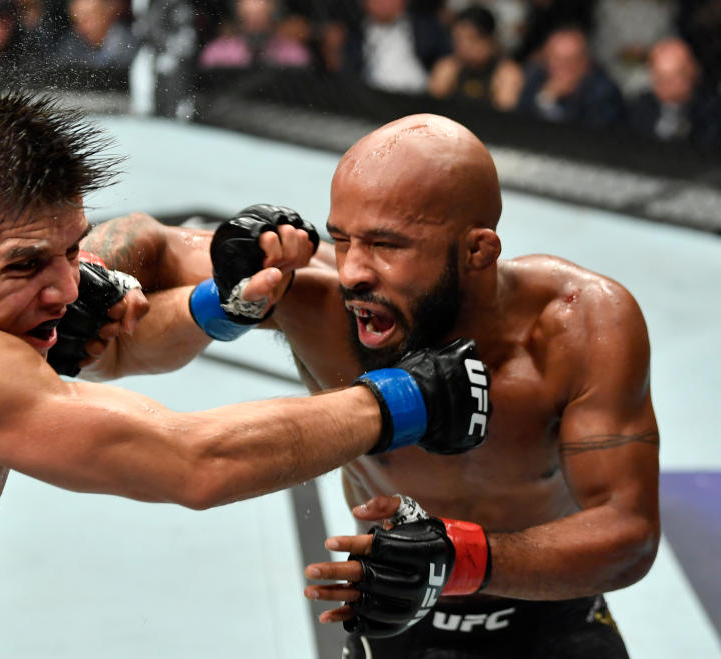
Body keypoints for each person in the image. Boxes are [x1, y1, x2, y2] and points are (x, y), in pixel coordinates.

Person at [0, 90, 491, 657]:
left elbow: (118, 350)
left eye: (71, 250)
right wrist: (408, 396)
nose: (68, 289)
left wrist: (218, 305)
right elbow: (193, 461)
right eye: (27, 264)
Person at [76, 113, 660, 658]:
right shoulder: (320, 299)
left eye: (386, 245)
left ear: (477, 250)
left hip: (554, 615)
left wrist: (461, 558)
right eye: (344, 238)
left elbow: (628, 533)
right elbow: (138, 239)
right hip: (392, 621)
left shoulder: (579, 325)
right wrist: (100, 279)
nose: (354, 270)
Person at [516, 26, 625, 129]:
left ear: (585, 63)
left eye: (570, 60)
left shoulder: (604, 93)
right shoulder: (536, 77)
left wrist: (546, 102)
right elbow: (521, 121)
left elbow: (582, 137)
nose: (562, 66)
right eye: (555, 58)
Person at [628, 37, 721, 150]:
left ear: (692, 73)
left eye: (672, 78)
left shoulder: (711, 112)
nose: (665, 85)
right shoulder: (641, 106)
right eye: (659, 77)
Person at [428, 4, 523, 111]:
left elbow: (506, 115)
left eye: (471, 39)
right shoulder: (448, 67)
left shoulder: (506, 72)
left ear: (489, 40)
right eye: (458, 39)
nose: (463, 47)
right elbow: (433, 108)